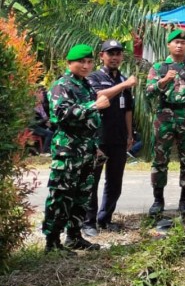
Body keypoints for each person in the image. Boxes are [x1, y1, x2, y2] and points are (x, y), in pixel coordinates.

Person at [42, 44, 110, 254]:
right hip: (68, 150)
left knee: (82, 195)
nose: (86, 66)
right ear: (70, 63)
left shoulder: (86, 85)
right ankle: (52, 242)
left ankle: (74, 236)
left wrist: (95, 146)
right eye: (81, 62)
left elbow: (91, 120)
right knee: (61, 195)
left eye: (89, 62)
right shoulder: (61, 85)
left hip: (86, 149)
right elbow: (60, 114)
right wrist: (93, 106)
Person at [145, 29, 185, 217]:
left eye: (183, 42)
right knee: (160, 159)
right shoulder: (158, 68)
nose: (180, 45)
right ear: (169, 45)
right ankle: (158, 200)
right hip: (164, 116)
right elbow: (149, 92)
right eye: (176, 42)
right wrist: (164, 81)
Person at [82, 39, 137, 237]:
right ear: (102, 56)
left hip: (119, 138)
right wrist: (124, 84)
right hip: (98, 138)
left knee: (114, 181)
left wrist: (130, 134)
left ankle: (105, 219)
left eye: (118, 54)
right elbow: (99, 97)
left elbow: (128, 110)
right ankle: (88, 222)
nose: (114, 57)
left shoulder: (122, 78)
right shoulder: (94, 77)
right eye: (110, 53)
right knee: (92, 180)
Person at [31, 87, 54, 154]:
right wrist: (45, 120)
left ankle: (52, 148)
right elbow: (33, 123)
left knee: (54, 128)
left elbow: (44, 117)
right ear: (36, 94)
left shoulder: (40, 104)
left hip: (40, 125)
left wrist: (47, 121)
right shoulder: (32, 106)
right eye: (41, 93)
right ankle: (44, 151)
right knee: (49, 134)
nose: (43, 95)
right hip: (32, 127)